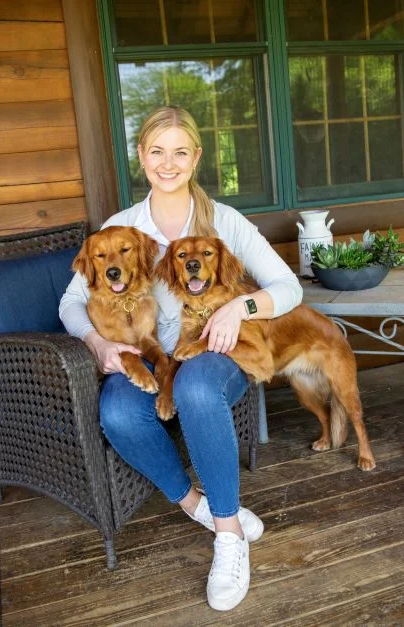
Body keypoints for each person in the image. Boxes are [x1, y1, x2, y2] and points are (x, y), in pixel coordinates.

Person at [59, 105, 302, 611]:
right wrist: (98, 343)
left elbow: (289, 287)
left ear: (196, 157)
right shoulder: (122, 226)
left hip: (216, 352)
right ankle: (201, 507)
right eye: (156, 152)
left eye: (179, 152)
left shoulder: (226, 222)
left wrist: (241, 306)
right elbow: (70, 300)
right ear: (142, 159)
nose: (167, 164)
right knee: (119, 413)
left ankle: (231, 536)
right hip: (150, 356)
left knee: (194, 386)